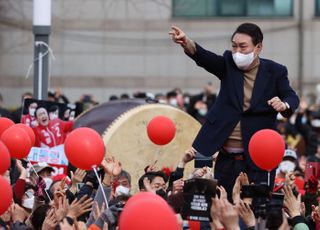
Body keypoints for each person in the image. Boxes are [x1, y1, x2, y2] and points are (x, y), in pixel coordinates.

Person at [169, 23, 299, 199]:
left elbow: (291, 97)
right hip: (226, 158)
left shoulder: (275, 71)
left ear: (258, 47)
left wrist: (284, 105)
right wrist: (187, 43)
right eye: (234, 46)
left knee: (255, 207)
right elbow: (205, 58)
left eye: (243, 47)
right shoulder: (228, 64)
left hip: (258, 157)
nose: (237, 51)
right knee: (222, 203)